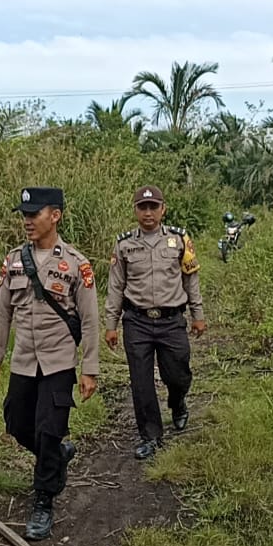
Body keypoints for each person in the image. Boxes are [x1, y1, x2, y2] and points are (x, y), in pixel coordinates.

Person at [0, 186, 100, 541]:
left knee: (49, 430)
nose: (27, 221)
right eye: (24, 215)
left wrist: (89, 368)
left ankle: (43, 500)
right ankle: (57, 456)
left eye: (34, 214)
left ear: (55, 216)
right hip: (23, 361)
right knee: (17, 423)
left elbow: (90, 318)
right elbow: (1, 312)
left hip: (58, 362)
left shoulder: (76, 264)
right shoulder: (14, 261)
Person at [104, 185, 206, 460]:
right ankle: (151, 436)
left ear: (163, 209)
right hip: (136, 321)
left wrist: (197, 315)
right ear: (135, 210)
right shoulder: (124, 244)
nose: (148, 213)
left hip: (172, 321)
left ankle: (178, 402)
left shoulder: (179, 239)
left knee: (178, 373)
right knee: (141, 382)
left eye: (153, 207)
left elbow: (190, 278)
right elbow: (116, 285)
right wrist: (111, 324)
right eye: (142, 207)